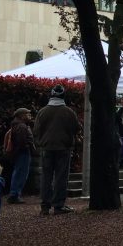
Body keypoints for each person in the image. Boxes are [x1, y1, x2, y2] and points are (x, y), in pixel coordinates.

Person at [33, 84, 81, 216]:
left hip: (47, 148)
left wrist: (42, 141)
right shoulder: (69, 112)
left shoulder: (42, 112)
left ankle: (45, 207)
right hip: (63, 148)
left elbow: (36, 130)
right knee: (61, 177)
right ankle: (58, 205)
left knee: (46, 177)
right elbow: (77, 129)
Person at [7, 107, 36, 203]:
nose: (30, 116)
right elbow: (21, 142)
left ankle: (14, 194)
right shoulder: (22, 126)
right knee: (21, 174)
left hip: (18, 152)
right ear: (22, 115)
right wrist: (28, 147)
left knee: (18, 172)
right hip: (22, 153)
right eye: (28, 114)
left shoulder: (17, 125)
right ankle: (15, 195)